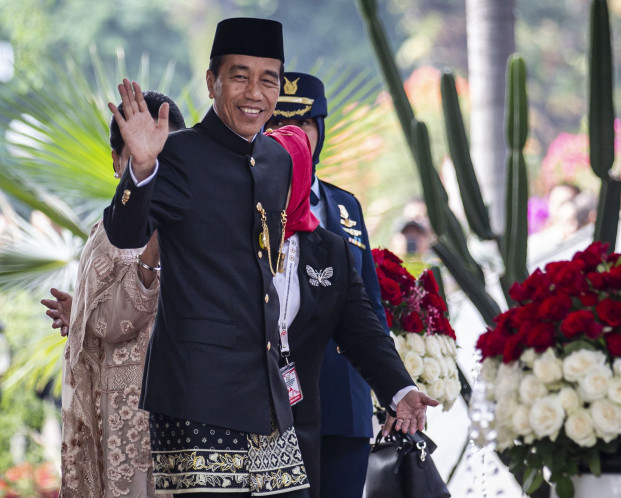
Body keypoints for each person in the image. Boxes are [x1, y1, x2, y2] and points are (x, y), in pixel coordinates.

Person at [103, 17, 434, 497]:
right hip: (197, 395)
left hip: (269, 394)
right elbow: (124, 233)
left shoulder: (277, 161)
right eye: (239, 76)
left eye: (268, 79)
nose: (254, 92)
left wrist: (399, 388)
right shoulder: (175, 153)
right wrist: (141, 168)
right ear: (212, 81)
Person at [44, 91, 185, 497]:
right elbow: (110, 321)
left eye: (163, 154)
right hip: (129, 414)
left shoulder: (192, 218)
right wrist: (84, 316)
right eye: (139, 154)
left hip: (178, 401)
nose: (153, 164)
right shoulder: (111, 230)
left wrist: (84, 315)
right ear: (117, 161)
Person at [266, 72, 387, 498]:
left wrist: (390, 386)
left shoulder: (346, 206)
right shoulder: (248, 203)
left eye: (307, 124)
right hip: (278, 402)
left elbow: (369, 304)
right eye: (282, 124)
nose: (297, 135)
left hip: (347, 395)